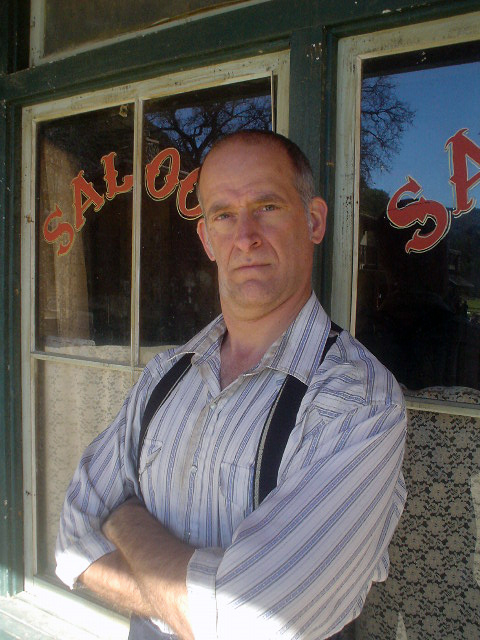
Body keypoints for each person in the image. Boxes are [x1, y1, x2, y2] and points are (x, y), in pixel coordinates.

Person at [56, 130, 407, 640]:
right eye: (223, 214)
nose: (246, 236)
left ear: (313, 221)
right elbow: (73, 540)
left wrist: (126, 521)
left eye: (267, 206)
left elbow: (253, 625)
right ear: (206, 239)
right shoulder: (164, 378)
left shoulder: (358, 402)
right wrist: (195, 607)